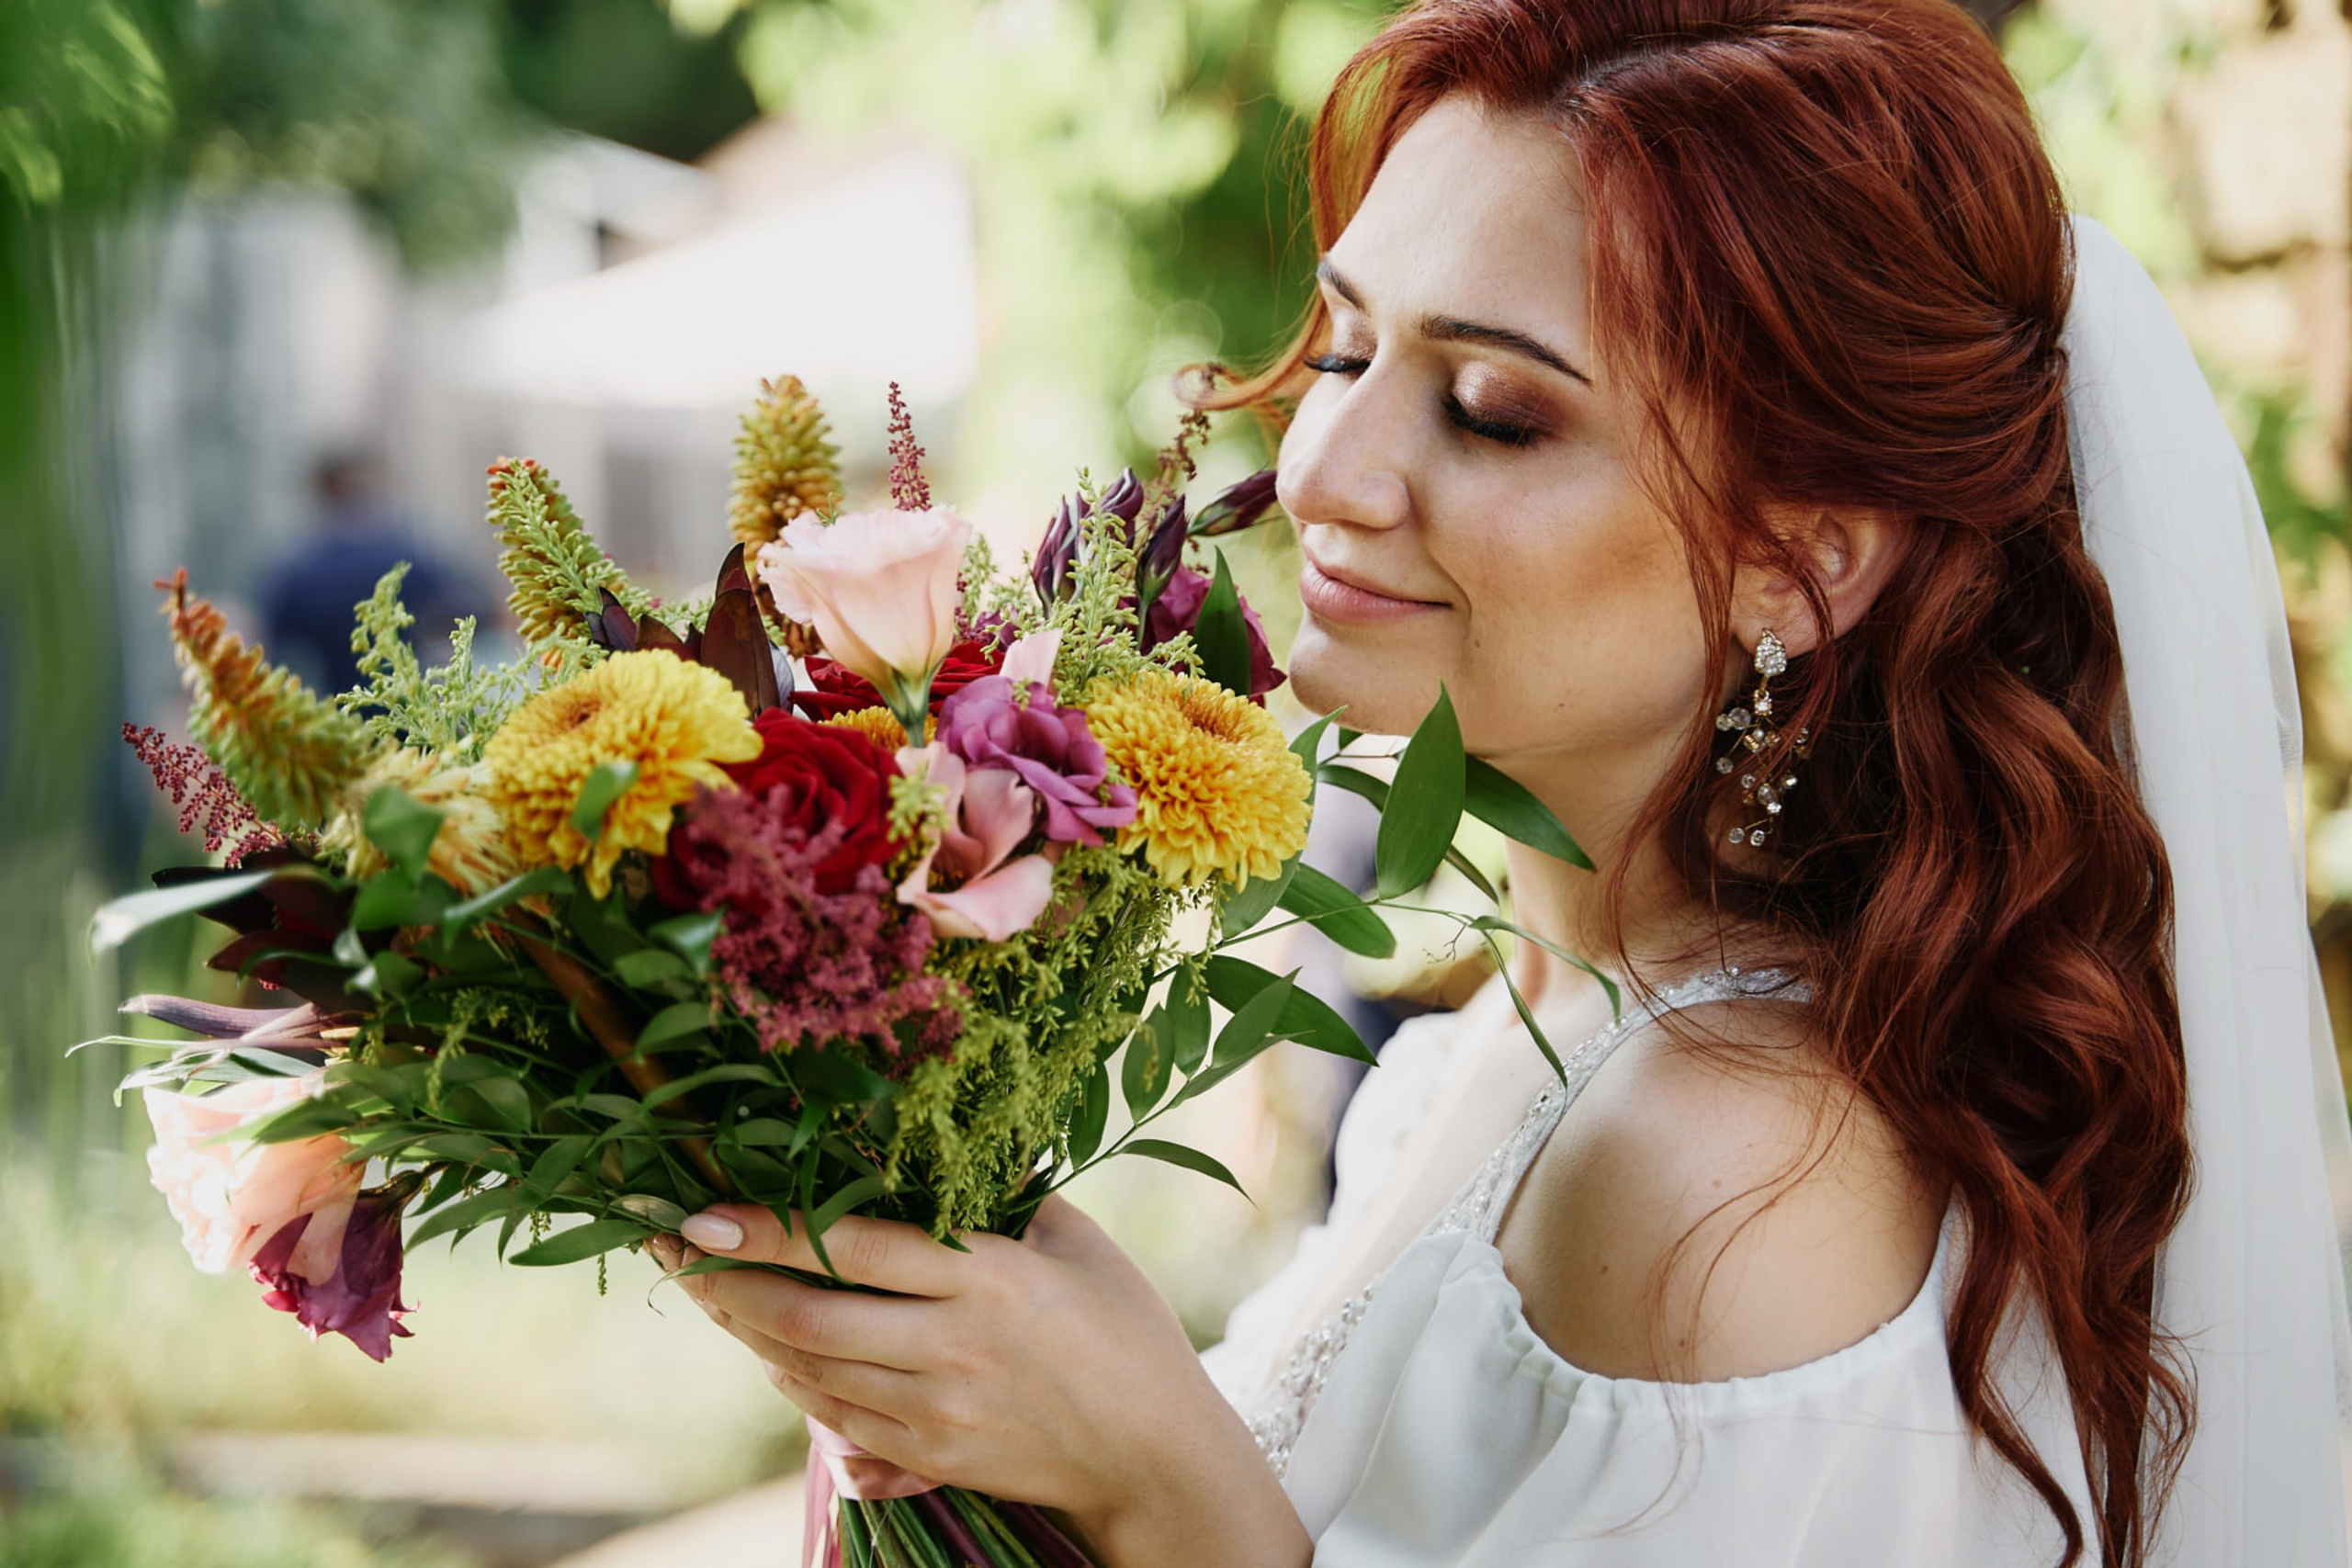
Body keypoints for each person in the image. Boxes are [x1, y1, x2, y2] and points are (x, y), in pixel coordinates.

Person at [648, 1, 2352, 1562]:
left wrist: (1159, 1475)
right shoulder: (1543, 1016)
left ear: (1802, 561)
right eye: (1340, 351)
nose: (1321, 467)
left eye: (1489, 409)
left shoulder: (1726, 1179)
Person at [259, 452, 476, 695]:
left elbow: (273, 644)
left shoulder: (302, 566)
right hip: (415, 706)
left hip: (342, 708)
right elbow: (467, 607)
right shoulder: (403, 548)